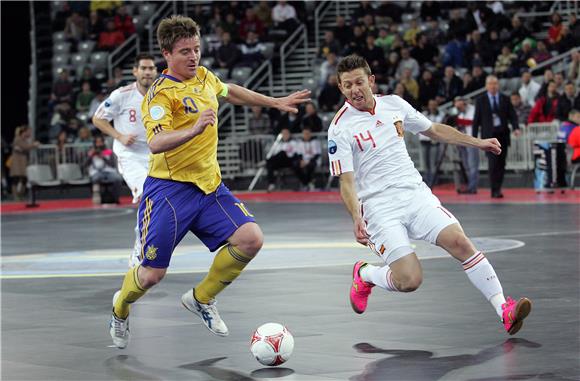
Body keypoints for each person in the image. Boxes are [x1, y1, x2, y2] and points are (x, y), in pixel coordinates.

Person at [109, 15, 310, 349]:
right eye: (185, 51)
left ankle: (201, 298)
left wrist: (274, 101)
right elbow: (157, 142)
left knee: (251, 239)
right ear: (166, 54)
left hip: (209, 186)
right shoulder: (159, 95)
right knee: (151, 276)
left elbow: (230, 91)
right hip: (169, 192)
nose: (193, 57)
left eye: (197, 49)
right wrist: (194, 128)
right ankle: (120, 308)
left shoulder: (204, 77)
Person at [328, 55, 531, 337]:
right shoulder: (339, 128)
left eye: (359, 82)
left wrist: (478, 143)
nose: (354, 90)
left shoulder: (394, 105)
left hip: (415, 195)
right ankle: (365, 274)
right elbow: (347, 182)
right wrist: (355, 217)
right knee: (410, 280)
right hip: (378, 209)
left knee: (460, 242)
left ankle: (504, 310)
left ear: (371, 81)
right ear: (340, 88)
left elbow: (434, 130)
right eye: (347, 85)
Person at [93, 53, 158, 268]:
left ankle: (145, 243)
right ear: (135, 71)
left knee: (157, 200)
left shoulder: (161, 94)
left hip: (154, 155)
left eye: (151, 68)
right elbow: (98, 118)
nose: (148, 72)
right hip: (129, 155)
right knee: (145, 194)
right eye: (144, 68)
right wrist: (119, 136)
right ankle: (139, 250)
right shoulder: (122, 95)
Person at [472, 75, 521, 198]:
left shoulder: (505, 99)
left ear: (498, 85)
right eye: (491, 84)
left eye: (495, 84)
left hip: (502, 135)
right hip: (489, 136)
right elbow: (476, 120)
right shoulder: (480, 100)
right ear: (486, 86)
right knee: (493, 163)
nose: (493, 86)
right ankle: (494, 189)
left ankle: (498, 188)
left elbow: (512, 115)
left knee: (501, 163)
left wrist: (516, 128)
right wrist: (474, 139)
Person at [86, 135, 123, 204]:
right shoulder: (91, 152)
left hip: (109, 171)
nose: (99, 144)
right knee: (94, 179)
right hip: (97, 172)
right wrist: (91, 156)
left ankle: (115, 198)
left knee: (118, 179)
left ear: (103, 142)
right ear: (95, 143)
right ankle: (97, 199)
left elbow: (112, 164)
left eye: (100, 142)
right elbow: (85, 164)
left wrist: (103, 157)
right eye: (97, 142)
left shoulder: (108, 151)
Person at [454, 97, 479, 194]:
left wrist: (457, 121)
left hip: (471, 140)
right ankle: (469, 185)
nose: (459, 108)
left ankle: (472, 187)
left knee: (473, 165)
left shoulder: (472, 109)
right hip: (461, 140)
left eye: (460, 106)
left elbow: (471, 122)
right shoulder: (459, 112)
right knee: (466, 165)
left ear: (464, 103)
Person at [9, 125, 39, 200]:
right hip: (17, 162)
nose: (30, 133)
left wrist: (30, 145)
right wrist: (33, 145)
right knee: (16, 179)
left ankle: (20, 194)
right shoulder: (18, 139)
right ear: (24, 132)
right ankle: (16, 195)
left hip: (23, 162)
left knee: (24, 178)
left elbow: (25, 148)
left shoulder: (26, 140)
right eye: (28, 131)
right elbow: (25, 147)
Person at [266, 127, 301, 192]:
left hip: (289, 161)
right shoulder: (279, 144)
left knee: (282, 153)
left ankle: (266, 161)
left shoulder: (293, 143)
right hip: (279, 162)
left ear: (289, 134)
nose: (285, 135)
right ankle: (271, 184)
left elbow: (297, 154)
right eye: (283, 133)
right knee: (269, 164)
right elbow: (274, 154)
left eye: (286, 133)